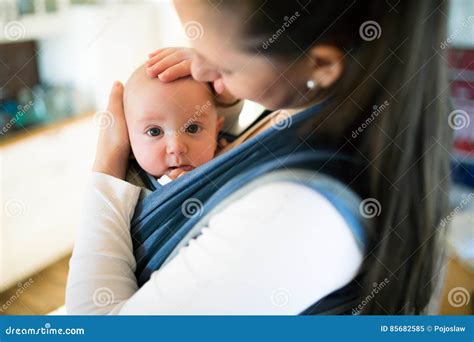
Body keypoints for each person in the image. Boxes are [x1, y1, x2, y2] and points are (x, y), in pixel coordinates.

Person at [66, 0, 451, 314]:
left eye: (222, 63)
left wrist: (107, 168)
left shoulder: (299, 213)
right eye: (196, 44)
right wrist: (219, 97)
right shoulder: (313, 105)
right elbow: (238, 161)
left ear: (321, 64)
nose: (196, 67)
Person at [123, 64, 224, 186]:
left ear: (216, 131)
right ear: (129, 141)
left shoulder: (230, 160)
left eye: (192, 128)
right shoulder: (125, 187)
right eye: (154, 131)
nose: (176, 148)